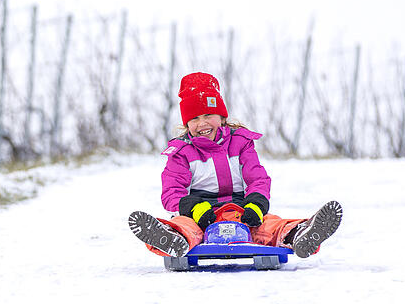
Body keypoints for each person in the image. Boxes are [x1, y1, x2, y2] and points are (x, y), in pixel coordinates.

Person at [128, 72, 342, 259]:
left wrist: (256, 205)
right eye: (194, 119)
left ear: (221, 117)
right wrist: (193, 208)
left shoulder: (240, 142)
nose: (202, 124)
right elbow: (171, 192)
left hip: (242, 211)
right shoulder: (181, 152)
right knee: (188, 228)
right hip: (201, 215)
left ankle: (300, 233)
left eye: (208, 115)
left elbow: (257, 178)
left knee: (268, 226)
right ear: (186, 123)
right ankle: (170, 238)